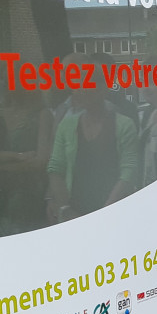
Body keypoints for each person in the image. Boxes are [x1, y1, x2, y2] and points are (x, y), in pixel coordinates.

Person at [0, 86, 53, 239]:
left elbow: (40, 162)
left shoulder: (42, 114)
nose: (10, 85)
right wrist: (17, 156)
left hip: (26, 198)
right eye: (5, 79)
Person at [46, 85, 140, 224]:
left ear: (102, 90)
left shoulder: (124, 125)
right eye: (77, 87)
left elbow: (129, 170)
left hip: (116, 215)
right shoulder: (66, 125)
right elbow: (55, 168)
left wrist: (107, 211)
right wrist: (65, 209)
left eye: (86, 87)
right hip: (74, 215)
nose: (79, 92)